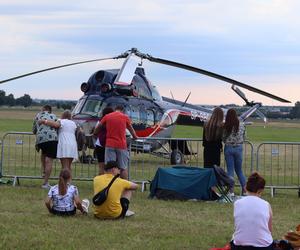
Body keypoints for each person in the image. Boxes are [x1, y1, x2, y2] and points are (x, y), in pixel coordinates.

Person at [93, 105, 138, 180]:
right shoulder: (125, 117)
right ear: (122, 110)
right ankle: (124, 185)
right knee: (123, 167)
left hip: (110, 144)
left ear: (115, 109)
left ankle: (110, 185)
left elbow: (98, 127)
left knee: (110, 167)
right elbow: (130, 128)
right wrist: (135, 136)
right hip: (121, 145)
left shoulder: (107, 116)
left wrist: (95, 133)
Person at [231, 172, 273, 250]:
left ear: (246, 187)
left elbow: (238, 225)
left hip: (239, 246)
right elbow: (269, 230)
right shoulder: (266, 205)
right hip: (263, 246)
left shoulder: (237, 203)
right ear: (261, 190)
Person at [32, 105, 58, 189]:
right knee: (49, 160)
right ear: (50, 110)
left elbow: (34, 130)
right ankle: (45, 183)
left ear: (43, 109)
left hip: (40, 140)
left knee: (44, 153)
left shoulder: (38, 115)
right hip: (52, 140)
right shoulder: (53, 116)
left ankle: (44, 170)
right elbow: (57, 127)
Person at [223, 108, 246, 195]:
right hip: (239, 147)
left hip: (228, 147)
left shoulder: (226, 125)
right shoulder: (242, 124)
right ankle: (245, 190)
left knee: (230, 170)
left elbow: (223, 137)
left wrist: (226, 141)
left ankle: (231, 191)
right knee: (239, 170)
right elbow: (245, 136)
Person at [94, 107, 114, 175]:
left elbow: (95, 132)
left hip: (99, 144)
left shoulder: (100, 121)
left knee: (101, 167)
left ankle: (100, 182)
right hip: (110, 144)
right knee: (110, 166)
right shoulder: (113, 122)